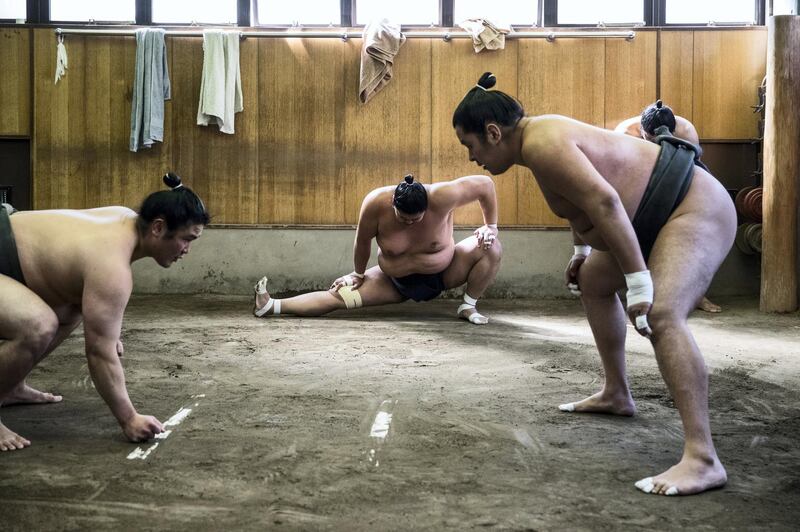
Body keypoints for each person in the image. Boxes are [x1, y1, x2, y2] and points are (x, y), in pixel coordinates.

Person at [452, 72, 735, 496]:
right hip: (648, 220)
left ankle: (703, 458)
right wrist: (582, 253)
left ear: (492, 133)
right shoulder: (537, 143)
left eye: (470, 146)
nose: (473, 158)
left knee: (661, 314)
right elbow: (580, 203)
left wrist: (639, 281)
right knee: (593, 282)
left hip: (691, 207)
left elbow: (605, 201)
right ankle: (616, 393)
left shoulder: (543, 143)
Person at [0, 173, 209, 451]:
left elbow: (93, 300)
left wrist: (110, 334)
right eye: (186, 239)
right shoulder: (113, 267)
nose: (187, 250)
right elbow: (99, 352)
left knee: (71, 309)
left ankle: (10, 383)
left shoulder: (124, 218)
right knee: (37, 325)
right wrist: (129, 418)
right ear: (158, 227)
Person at [253, 174, 502, 324]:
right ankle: (271, 305)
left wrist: (490, 227)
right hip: (394, 282)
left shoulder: (444, 195)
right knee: (340, 297)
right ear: (393, 204)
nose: (409, 223)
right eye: (403, 218)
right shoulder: (375, 203)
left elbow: (485, 184)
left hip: (446, 272)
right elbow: (362, 241)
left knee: (491, 247)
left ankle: (468, 305)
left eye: (415, 219)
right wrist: (358, 274)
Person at [615, 101, 722, 313]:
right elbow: (619, 177)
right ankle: (638, 293)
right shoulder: (625, 135)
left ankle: (697, 295)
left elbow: (697, 170)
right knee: (635, 237)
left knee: (697, 236)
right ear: (642, 131)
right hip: (638, 191)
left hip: (679, 184)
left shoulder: (686, 132)